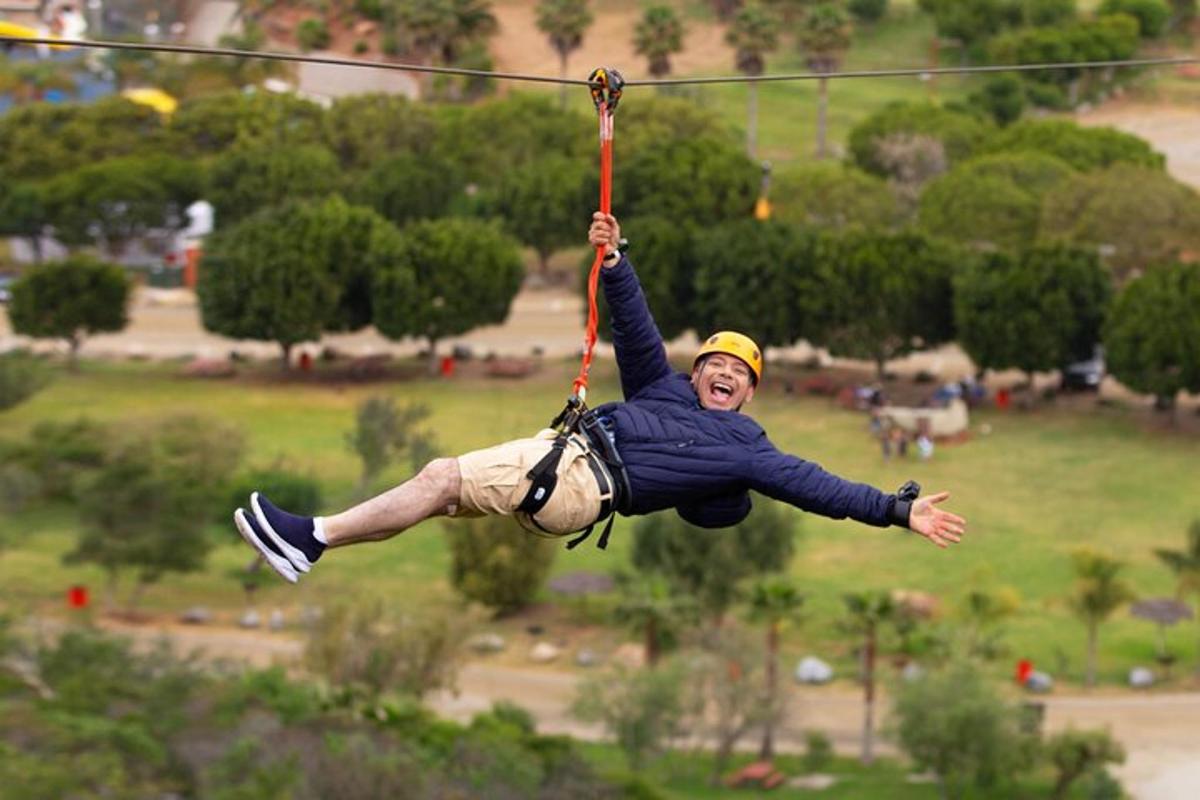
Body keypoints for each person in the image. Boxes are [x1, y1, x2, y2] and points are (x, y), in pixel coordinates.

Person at [234, 212, 967, 583]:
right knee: (434, 494)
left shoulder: (746, 450)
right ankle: (312, 547)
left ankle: (312, 537)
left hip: (582, 480)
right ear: (697, 369)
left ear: (746, 398)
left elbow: (814, 486)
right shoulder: (661, 387)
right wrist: (615, 259)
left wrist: (895, 509)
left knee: (435, 477)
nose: (724, 374)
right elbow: (635, 327)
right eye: (715, 362)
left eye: (738, 376)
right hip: (566, 462)